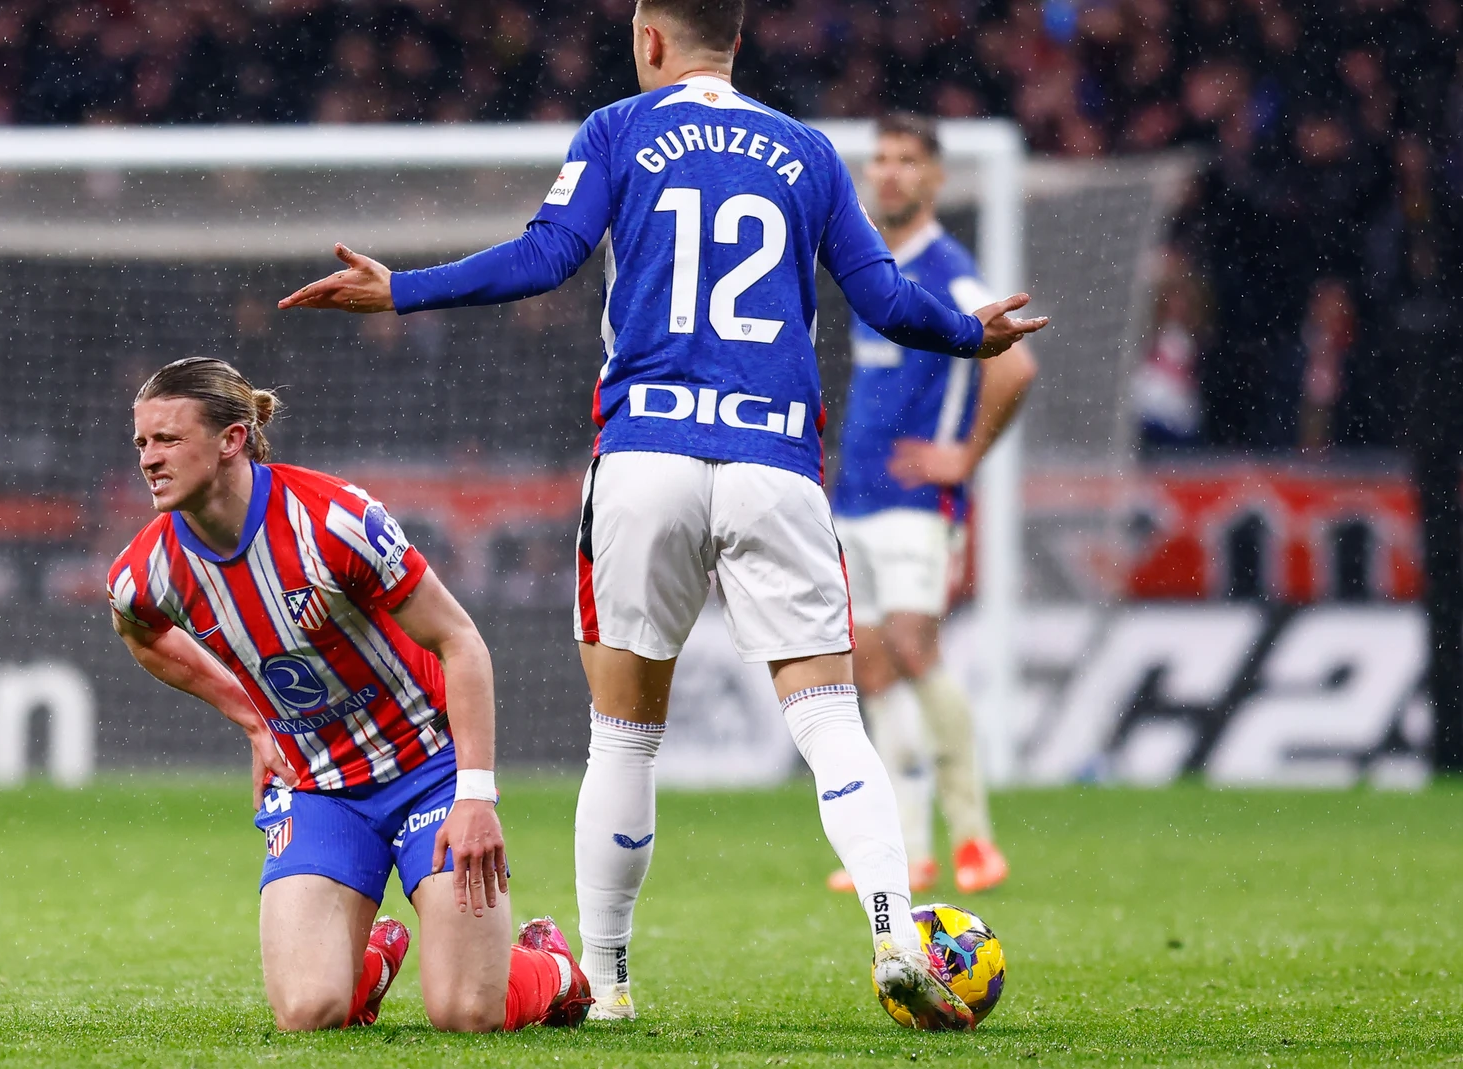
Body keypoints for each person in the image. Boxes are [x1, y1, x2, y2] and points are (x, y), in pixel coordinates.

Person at [278, 0, 1046, 1030]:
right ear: (738, 41)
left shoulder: (617, 130)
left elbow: (545, 256)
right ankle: (894, 932)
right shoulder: (807, 151)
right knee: (828, 716)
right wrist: (967, 333)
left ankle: (609, 978)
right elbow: (882, 298)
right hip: (775, 458)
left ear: (649, 38)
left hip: (647, 457)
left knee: (625, 735)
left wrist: (404, 289)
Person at [106, 357, 592, 1033]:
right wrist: (251, 719)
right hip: (320, 786)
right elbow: (142, 633)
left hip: (427, 771)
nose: (149, 459)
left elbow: (462, 642)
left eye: (167, 439)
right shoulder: (146, 569)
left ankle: (555, 968)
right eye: (142, 443)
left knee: (466, 1011)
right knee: (308, 1011)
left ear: (232, 439)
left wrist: (476, 793)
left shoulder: (334, 522)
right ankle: (372, 960)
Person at [825, 113, 1037, 899]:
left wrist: (965, 456)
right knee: (874, 663)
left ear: (936, 177)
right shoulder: (873, 265)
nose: (889, 173)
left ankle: (975, 838)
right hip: (858, 497)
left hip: (918, 499)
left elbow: (1016, 366)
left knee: (915, 645)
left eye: (907, 161)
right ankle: (908, 847)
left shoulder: (948, 269)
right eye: (880, 160)